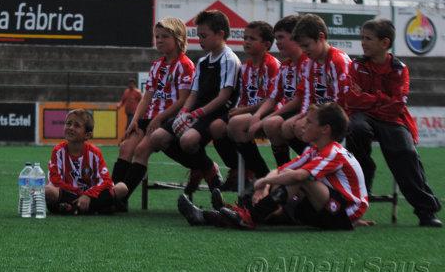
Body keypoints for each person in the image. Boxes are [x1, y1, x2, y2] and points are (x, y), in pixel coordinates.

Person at [178, 102, 370, 231]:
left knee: (298, 179)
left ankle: (248, 218)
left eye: (309, 122)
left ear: (325, 129)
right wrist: (266, 185)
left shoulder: (333, 152)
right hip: (326, 209)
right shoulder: (315, 150)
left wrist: (263, 182)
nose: (303, 125)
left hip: (343, 215)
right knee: (277, 201)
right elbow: (280, 170)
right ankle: (204, 215)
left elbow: (295, 176)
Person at [345, 18, 442, 227]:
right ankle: (362, 184)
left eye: (368, 38)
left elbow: (397, 106)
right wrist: (382, 99)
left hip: (392, 119)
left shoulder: (399, 68)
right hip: (364, 116)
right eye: (362, 37)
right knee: (357, 129)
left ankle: (425, 211)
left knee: (406, 153)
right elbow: (351, 99)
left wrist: (369, 98)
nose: (362, 42)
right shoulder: (356, 65)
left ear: (384, 43)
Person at [151, 10, 241, 195]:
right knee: (157, 138)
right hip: (197, 112)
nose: (200, 40)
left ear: (220, 34)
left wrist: (196, 114)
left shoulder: (229, 59)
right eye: (198, 36)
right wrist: (184, 112)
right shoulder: (202, 61)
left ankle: (210, 169)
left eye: (204, 36)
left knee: (187, 140)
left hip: (215, 112)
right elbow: (194, 93)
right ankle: (205, 167)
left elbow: (224, 97)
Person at [111, 18, 194, 205]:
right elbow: (147, 98)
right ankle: (111, 195)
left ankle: (120, 198)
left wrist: (159, 119)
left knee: (141, 150)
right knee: (125, 147)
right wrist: (135, 120)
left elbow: (183, 101)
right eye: (157, 37)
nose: (159, 40)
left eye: (165, 36)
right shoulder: (157, 65)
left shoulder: (185, 65)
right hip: (148, 118)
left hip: (168, 121)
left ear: (179, 39)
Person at [280, 13, 351, 154]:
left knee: (305, 128)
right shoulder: (309, 63)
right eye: (302, 46)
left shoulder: (337, 60)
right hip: (320, 114)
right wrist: (304, 115)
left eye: (307, 45)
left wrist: (313, 120)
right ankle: (310, 160)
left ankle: (319, 162)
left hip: (338, 116)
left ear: (321, 37)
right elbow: (308, 95)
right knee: (288, 126)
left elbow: (342, 98)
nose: (305, 50)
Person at [224, 21, 280, 182]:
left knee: (235, 123)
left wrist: (241, 111)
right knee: (223, 124)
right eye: (245, 38)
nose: (247, 41)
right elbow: (244, 99)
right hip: (251, 115)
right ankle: (253, 172)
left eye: (252, 39)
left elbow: (272, 99)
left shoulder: (272, 65)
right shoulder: (245, 68)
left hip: (272, 112)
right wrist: (239, 109)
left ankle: (262, 173)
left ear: (266, 44)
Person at [46, 109, 128, 215]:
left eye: (77, 125)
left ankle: (73, 209)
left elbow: (106, 181)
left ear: (87, 135)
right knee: (47, 191)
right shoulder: (58, 151)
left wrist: (89, 195)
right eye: (68, 123)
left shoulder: (94, 153)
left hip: (91, 196)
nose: (71, 128)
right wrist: (82, 194)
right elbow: (55, 180)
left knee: (122, 188)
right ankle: (95, 209)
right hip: (69, 195)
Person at [251, 15, 308, 167]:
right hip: (292, 112)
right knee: (270, 123)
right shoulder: (285, 66)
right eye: (276, 38)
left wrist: (266, 118)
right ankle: (281, 171)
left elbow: (299, 100)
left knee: (275, 123)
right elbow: (273, 97)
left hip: (306, 111)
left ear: (296, 37)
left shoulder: (308, 63)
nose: (278, 43)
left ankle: (311, 163)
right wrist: (257, 116)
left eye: (281, 37)